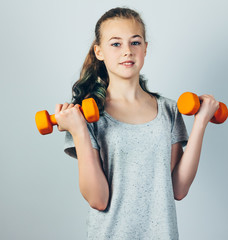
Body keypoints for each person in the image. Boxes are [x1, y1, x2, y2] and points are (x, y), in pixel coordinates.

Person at [54, 7, 219, 240]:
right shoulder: (86, 116)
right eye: (116, 44)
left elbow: (179, 189)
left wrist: (201, 123)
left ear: (145, 48)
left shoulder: (169, 111)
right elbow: (98, 199)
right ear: (99, 51)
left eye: (135, 42)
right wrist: (79, 131)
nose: (127, 52)